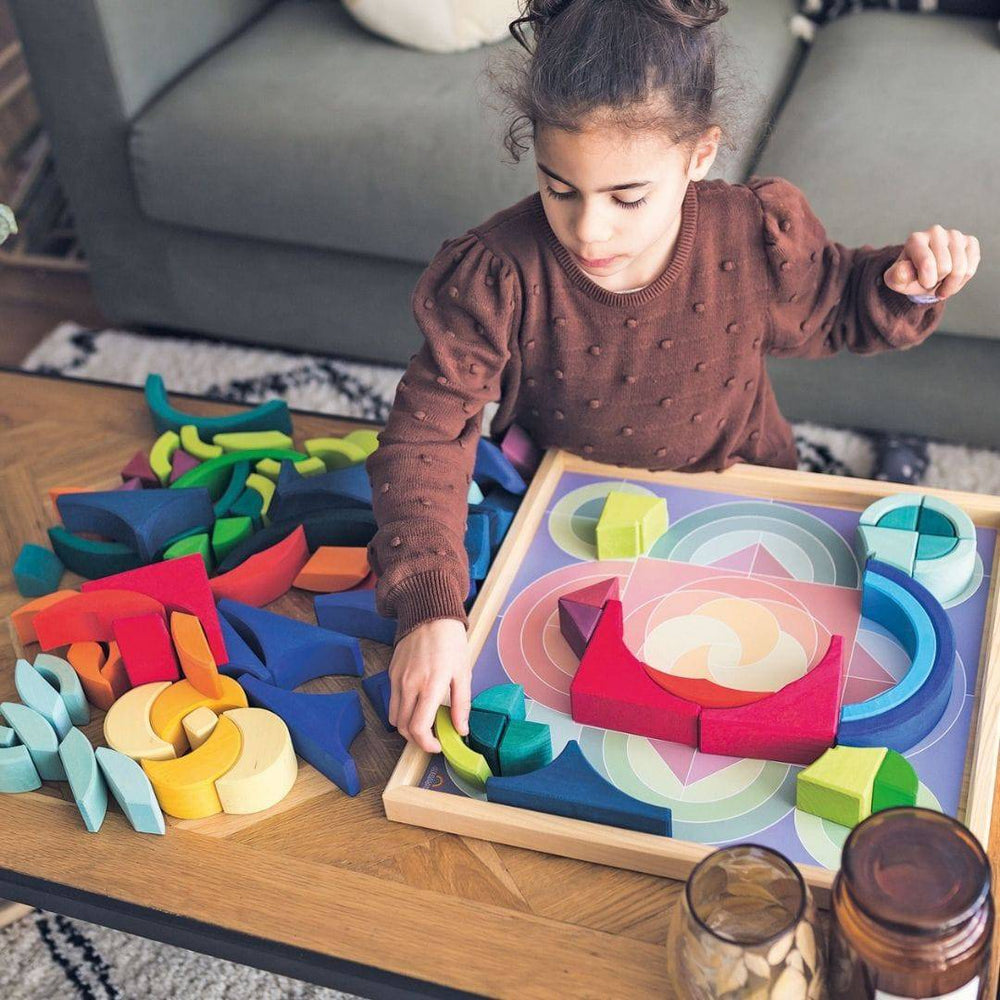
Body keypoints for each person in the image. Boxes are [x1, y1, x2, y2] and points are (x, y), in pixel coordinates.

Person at [365, 0, 980, 754]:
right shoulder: (499, 273)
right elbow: (427, 432)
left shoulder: (750, 235)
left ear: (699, 156)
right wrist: (430, 610)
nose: (590, 229)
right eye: (560, 189)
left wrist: (910, 282)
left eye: (628, 198)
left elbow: (839, 306)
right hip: (564, 515)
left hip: (739, 493)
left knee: (751, 703)